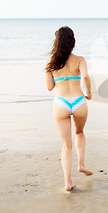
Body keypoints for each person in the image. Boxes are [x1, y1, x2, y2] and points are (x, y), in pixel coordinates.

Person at [45, 26, 93, 191]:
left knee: (66, 144)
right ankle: (81, 164)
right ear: (73, 41)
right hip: (79, 101)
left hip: (61, 103)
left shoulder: (51, 62)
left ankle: (67, 182)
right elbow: (85, 76)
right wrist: (89, 92)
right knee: (79, 133)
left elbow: (49, 87)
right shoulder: (79, 60)